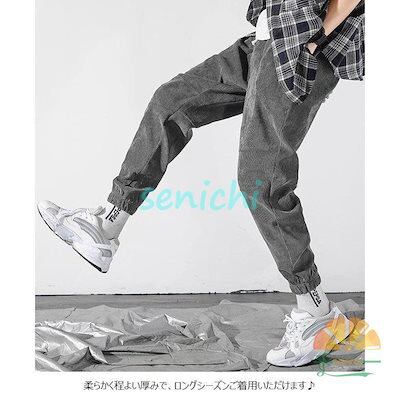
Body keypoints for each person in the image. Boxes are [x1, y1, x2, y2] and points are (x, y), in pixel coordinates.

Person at [37, 0, 365, 367]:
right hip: (269, 38)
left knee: (262, 183)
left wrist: (315, 39)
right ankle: (107, 224)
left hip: (298, 48)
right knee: (171, 103)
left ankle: (315, 308)